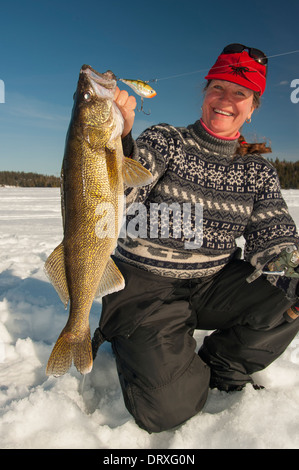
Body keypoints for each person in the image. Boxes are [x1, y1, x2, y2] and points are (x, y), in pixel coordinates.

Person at [92, 44, 299, 433]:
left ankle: (224, 365)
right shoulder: (167, 140)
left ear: (253, 106)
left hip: (210, 284)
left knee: (295, 285)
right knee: (169, 411)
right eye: (218, 87)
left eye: (240, 92)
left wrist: (290, 264)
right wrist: (115, 140)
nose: (226, 99)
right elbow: (118, 190)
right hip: (145, 288)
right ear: (204, 93)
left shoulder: (256, 171)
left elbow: (273, 235)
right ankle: (131, 337)